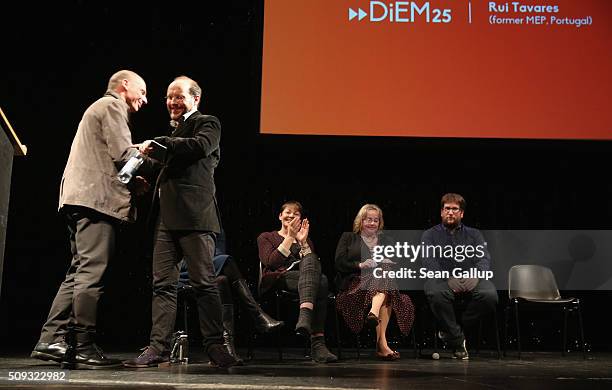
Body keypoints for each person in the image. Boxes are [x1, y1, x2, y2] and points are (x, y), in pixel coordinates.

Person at [30, 70, 149, 369]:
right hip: (94, 201)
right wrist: (148, 152)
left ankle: (51, 339)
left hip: (79, 198)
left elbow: (105, 158)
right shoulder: (111, 106)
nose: (145, 99)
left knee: (78, 271)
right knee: (91, 273)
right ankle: (82, 344)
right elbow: (124, 154)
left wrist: (134, 184)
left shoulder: (99, 108)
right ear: (124, 86)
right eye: (142, 91)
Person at [124, 75, 236, 368]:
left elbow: (198, 147)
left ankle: (215, 345)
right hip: (165, 219)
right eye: (169, 97)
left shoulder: (208, 123)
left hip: (196, 217)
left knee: (204, 283)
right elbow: (159, 164)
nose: (172, 102)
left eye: (179, 96)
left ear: (195, 99)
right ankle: (157, 347)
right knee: (162, 285)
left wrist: (157, 144)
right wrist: (132, 159)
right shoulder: (171, 140)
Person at [178, 230, 284, 364]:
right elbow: (178, 259)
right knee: (227, 260)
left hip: (209, 270)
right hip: (186, 271)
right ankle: (257, 315)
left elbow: (218, 253)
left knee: (222, 280)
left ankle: (227, 348)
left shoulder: (216, 227)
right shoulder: (184, 225)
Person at [257, 201, 338, 363]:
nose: (291, 216)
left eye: (296, 214)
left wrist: (303, 243)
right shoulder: (266, 237)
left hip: (305, 281)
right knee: (321, 282)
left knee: (318, 276)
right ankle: (317, 343)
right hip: (279, 278)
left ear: (301, 219)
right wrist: (290, 237)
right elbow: (272, 263)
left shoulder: (306, 239)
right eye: (287, 212)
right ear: (280, 216)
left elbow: (312, 266)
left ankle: (305, 319)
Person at [421, 193, 498, 360]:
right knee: (435, 293)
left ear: (461, 213)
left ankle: (451, 330)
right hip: (442, 279)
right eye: (447, 209)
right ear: (441, 212)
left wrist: (475, 275)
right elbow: (429, 261)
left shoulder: (474, 234)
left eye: (454, 209)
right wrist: (448, 277)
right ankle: (457, 341)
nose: (450, 212)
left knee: (490, 296)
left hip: (471, 278)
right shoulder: (430, 234)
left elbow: (484, 258)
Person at [335, 204, 415, 360]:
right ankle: (382, 345)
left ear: (380, 222)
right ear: (361, 221)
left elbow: (399, 262)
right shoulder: (349, 237)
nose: (372, 223)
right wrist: (360, 264)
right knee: (387, 291)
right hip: (355, 284)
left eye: (375, 220)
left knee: (384, 277)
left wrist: (389, 261)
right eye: (368, 219)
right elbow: (339, 263)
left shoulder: (387, 240)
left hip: (382, 282)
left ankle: (374, 313)